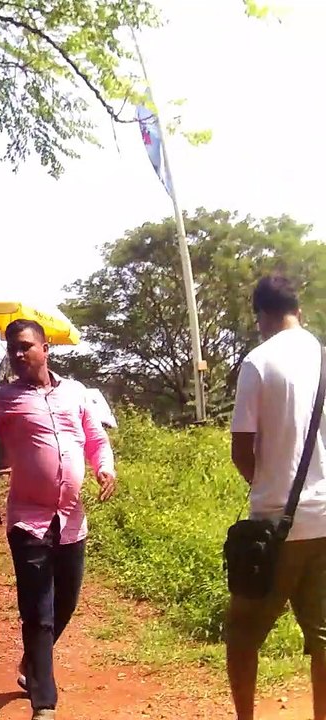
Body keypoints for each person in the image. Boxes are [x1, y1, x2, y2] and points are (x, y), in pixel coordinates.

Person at [0, 318, 115, 720]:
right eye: (13, 348)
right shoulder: (3, 398)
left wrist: (104, 467)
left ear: (47, 349)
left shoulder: (76, 393)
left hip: (72, 519)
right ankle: (44, 702)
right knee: (37, 610)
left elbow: (95, 438)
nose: (18, 353)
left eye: (26, 345)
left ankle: (32, 661)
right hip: (28, 518)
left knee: (66, 601)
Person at [227, 274, 326, 720]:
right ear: (298, 311)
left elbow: (242, 449)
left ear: (262, 316)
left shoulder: (258, 362)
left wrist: (266, 486)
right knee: (323, 639)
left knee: (243, 635)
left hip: (275, 525)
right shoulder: (323, 357)